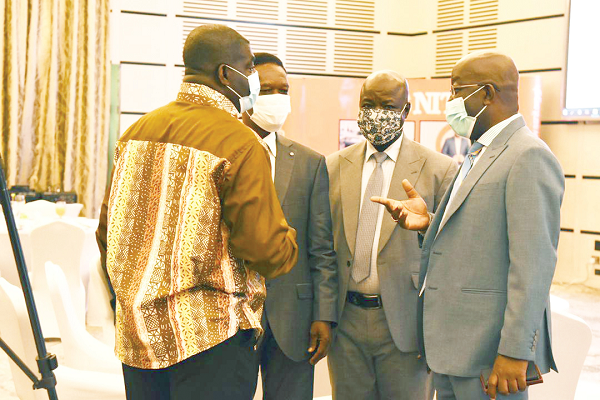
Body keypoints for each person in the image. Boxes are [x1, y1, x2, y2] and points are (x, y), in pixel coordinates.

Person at [96, 25, 299, 400]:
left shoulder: (135, 132)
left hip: (138, 337)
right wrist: (289, 240)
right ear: (226, 73)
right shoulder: (239, 142)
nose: (253, 77)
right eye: (250, 67)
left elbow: (106, 232)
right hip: (212, 339)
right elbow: (267, 250)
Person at [372, 52, 564, 399]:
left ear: (487, 94)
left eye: (456, 91)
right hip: (452, 350)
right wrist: (428, 224)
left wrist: (515, 351)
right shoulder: (479, 153)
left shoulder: (527, 155)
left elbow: (533, 265)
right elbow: (479, 237)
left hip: (490, 356)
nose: (449, 102)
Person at [326, 70, 458, 400]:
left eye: (387, 105)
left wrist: (427, 223)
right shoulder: (333, 166)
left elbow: (452, 253)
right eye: (367, 105)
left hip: (405, 324)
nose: (376, 113)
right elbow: (323, 247)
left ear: (406, 111)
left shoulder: (439, 169)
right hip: (347, 324)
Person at [241, 52, 338, 400]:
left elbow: (322, 247)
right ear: (246, 91)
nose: (278, 98)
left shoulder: (311, 163)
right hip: (231, 317)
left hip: (294, 317)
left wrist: (324, 315)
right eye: (268, 89)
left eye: (284, 90)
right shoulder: (222, 153)